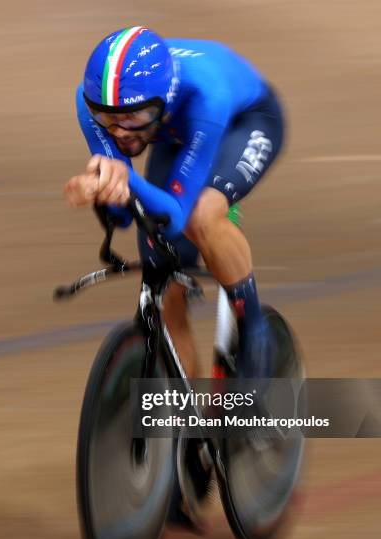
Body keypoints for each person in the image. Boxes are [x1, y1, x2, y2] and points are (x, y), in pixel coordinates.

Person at [65, 25, 285, 388]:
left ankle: (254, 331)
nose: (119, 132)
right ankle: (183, 421)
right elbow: (123, 217)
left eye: (131, 118)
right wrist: (103, 192)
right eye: (108, 119)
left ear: (161, 103)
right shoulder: (94, 103)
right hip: (172, 131)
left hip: (240, 122)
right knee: (160, 268)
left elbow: (176, 216)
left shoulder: (205, 94)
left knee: (202, 217)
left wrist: (124, 178)